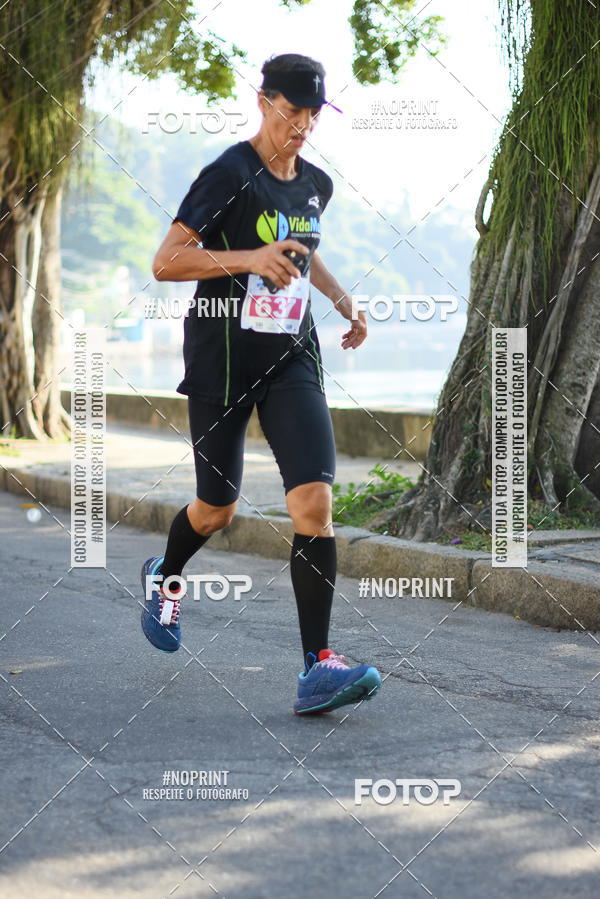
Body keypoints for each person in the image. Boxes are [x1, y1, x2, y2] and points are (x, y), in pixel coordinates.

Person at [141, 52, 381, 714]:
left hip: (290, 356)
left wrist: (340, 299)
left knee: (313, 502)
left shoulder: (315, 185)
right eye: (291, 110)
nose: (302, 125)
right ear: (263, 100)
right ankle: (164, 574)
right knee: (217, 507)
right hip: (222, 357)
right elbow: (166, 261)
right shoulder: (228, 174)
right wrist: (248, 258)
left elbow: (306, 247)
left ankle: (317, 667)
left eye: (312, 114)